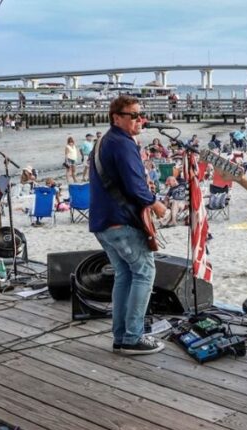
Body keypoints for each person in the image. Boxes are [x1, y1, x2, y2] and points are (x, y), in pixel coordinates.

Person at [89, 95, 168, 356]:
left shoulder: (104, 141)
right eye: (133, 115)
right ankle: (132, 337)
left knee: (124, 275)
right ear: (117, 117)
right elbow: (135, 187)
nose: (139, 119)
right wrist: (155, 203)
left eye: (140, 114)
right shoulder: (123, 144)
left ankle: (121, 336)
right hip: (121, 222)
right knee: (144, 273)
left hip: (103, 222)